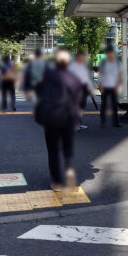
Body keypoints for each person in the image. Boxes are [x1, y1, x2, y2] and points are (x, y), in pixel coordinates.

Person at [34, 48, 83, 191]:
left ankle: (57, 183)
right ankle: (69, 175)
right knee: (68, 148)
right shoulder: (73, 77)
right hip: (68, 117)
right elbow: (79, 98)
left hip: (50, 118)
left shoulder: (47, 75)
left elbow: (38, 92)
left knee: (53, 150)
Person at [68, 51, 95, 131]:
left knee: (82, 106)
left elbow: (86, 78)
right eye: (81, 57)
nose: (83, 58)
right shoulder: (72, 66)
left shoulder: (83, 66)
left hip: (84, 88)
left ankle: (79, 123)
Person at [98, 46, 122, 128]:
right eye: (108, 53)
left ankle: (116, 122)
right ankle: (103, 121)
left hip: (114, 86)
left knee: (114, 105)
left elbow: (119, 74)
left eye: (111, 52)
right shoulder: (103, 62)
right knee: (104, 104)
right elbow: (101, 74)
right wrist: (100, 85)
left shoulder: (117, 62)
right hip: (105, 86)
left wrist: (118, 85)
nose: (110, 54)